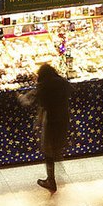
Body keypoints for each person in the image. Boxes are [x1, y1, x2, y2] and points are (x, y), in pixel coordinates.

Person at [22, 61, 70, 192]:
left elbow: (27, 102)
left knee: (48, 150)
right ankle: (56, 162)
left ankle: (51, 180)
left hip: (50, 121)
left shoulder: (43, 87)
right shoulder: (63, 83)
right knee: (57, 145)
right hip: (63, 118)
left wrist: (19, 96)